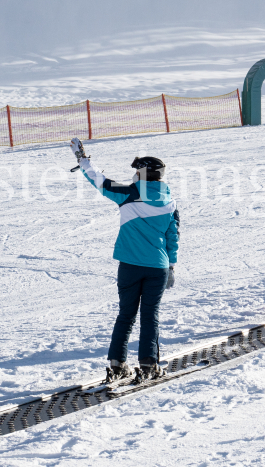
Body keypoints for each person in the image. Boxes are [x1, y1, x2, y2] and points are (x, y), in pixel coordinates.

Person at [70, 138, 179, 384]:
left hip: (129, 266)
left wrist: (84, 161)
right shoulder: (170, 202)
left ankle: (117, 364)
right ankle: (149, 365)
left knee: (126, 315)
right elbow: (173, 236)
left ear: (144, 174)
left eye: (136, 172)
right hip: (157, 268)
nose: (133, 176)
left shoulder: (130, 195)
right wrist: (171, 265)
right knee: (150, 316)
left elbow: (100, 182)